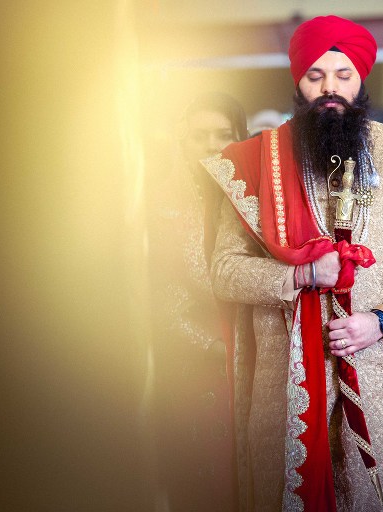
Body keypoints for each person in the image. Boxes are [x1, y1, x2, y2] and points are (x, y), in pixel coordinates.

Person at [202, 15, 383, 512]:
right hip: (290, 387)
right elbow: (225, 271)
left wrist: (382, 320)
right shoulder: (259, 161)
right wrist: (298, 274)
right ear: (297, 82)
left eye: (343, 75)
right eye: (315, 76)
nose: (330, 88)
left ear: (361, 80)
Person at [147, 92, 247, 511]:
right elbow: (156, 300)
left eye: (224, 134)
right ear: (181, 141)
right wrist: (215, 347)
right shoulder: (157, 209)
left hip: (258, 367)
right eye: (199, 135)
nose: (212, 145)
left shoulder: (257, 204)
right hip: (195, 371)